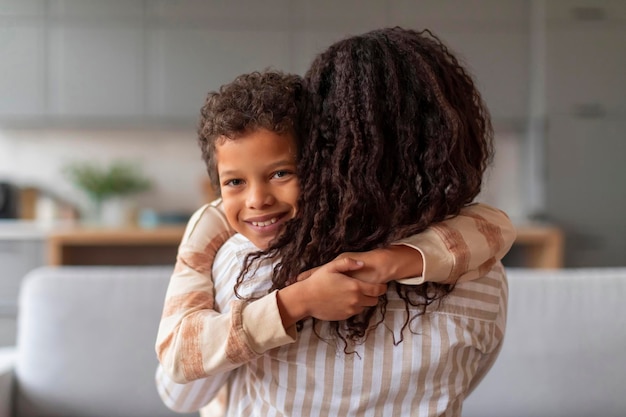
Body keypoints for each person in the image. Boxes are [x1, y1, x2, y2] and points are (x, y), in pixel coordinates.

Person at [156, 27, 511, 416]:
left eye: (281, 173)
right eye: (236, 182)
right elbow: (469, 379)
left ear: (320, 142)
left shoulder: (247, 264)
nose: (257, 200)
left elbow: (180, 393)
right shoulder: (483, 271)